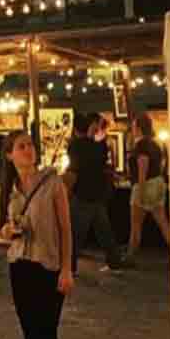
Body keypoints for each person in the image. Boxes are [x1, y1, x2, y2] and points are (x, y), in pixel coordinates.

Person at [0, 130, 75, 339]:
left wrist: (67, 269)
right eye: (21, 147)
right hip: (20, 265)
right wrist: (7, 231)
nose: (28, 150)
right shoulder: (7, 188)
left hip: (48, 266)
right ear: (9, 155)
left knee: (48, 337)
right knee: (30, 338)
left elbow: (66, 229)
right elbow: (2, 228)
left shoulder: (52, 184)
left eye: (30, 145)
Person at [68, 113, 123, 274]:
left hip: (82, 192)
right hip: (98, 192)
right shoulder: (100, 146)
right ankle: (115, 262)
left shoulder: (75, 146)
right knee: (104, 230)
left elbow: (75, 169)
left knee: (76, 233)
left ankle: (70, 267)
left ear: (76, 129)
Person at [127, 112, 170, 261]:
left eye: (134, 126)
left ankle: (130, 256)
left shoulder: (141, 145)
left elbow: (142, 165)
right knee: (163, 221)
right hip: (158, 182)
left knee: (135, 225)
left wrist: (140, 189)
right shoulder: (156, 144)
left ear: (138, 127)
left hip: (145, 184)